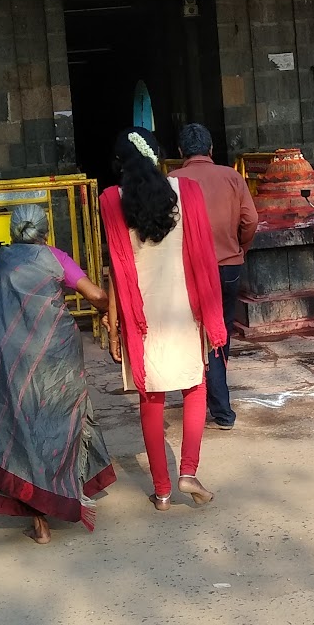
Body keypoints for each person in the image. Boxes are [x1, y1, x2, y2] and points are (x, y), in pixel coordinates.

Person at [0, 204, 114, 544]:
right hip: (55, 357)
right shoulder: (56, 258)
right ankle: (65, 491)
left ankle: (39, 521)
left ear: (12, 232)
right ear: (46, 229)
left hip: (10, 360)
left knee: (19, 428)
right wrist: (113, 310)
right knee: (59, 422)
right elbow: (96, 296)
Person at [100, 128, 225, 509]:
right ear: (158, 156)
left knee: (151, 399)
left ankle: (163, 491)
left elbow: (116, 271)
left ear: (121, 164)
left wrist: (114, 325)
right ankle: (188, 472)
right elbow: (204, 256)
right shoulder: (186, 193)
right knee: (195, 388)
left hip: (143, 317)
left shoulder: (112, 200)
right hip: (185, 308)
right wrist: (212, 316)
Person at [176, 122, 258, 430]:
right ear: (211, 150)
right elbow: (251, 220)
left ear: (181, 152)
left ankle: (207, 401)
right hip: (227, 266)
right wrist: (239, 249)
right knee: (220, 332)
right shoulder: (232, 177)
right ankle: (220, 406)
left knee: (192, 334)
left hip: (189, 269)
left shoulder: (173, 181)